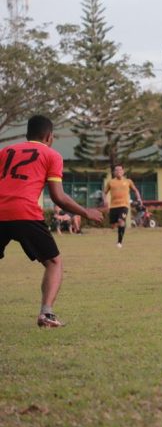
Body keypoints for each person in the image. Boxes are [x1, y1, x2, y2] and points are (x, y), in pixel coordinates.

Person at [0, 115, 103, 327]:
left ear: (26, 135)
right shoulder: (51, 155)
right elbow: (58, 197)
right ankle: (46, 314)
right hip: (25, 212)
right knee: (54, 262)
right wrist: (86, 213)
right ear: (49, 136)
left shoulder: (5, 151)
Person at [103, 164, 141, 248]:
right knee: (113, 225)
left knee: (121, 221)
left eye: (120, 170)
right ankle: (119, 232)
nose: (118, 171)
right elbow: (104, 193)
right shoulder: (111, 182)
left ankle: (119, 242)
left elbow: (135, 190)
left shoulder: (128, 181)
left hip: (124, 205)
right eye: (116, 170)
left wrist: (139, 199)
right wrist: (105, 201)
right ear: (114, 172)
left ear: (123, 171)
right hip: (113, 206)